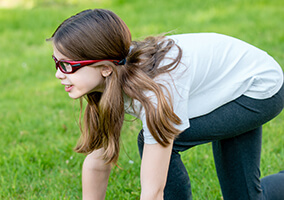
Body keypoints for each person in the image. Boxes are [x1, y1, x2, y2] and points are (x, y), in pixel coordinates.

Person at [48, 8, 284, 200]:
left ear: (105, 68)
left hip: (259, 88)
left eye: (67, 66)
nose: (59, 74)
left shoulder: (154, 91)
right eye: (56, 63)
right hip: (235, 81)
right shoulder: (108, 80)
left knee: (159, 134)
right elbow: (99, 161)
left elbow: (152, 193)